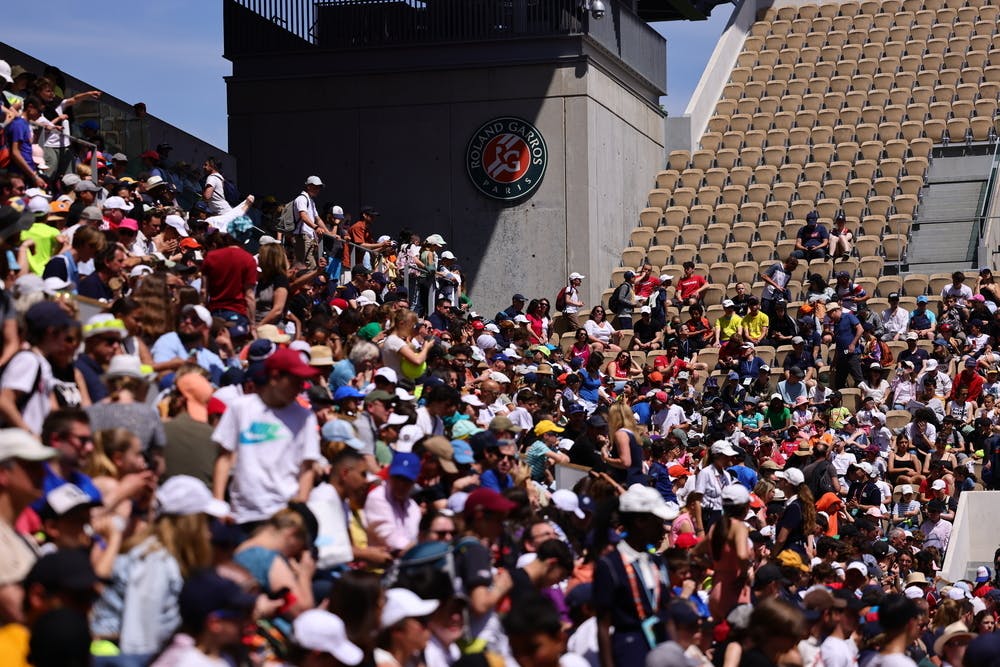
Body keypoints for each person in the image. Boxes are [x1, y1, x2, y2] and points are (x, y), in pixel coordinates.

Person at [211, 349, 321, 531]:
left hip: (284, 514)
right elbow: (224, 458)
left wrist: (300, 508)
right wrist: (218, 505)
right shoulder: (241, 408)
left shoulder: (306, 417)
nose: (300, 387)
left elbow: (307, 468)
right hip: (243, 514)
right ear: (275, 377)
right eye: (295, 381)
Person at [594, 484, 676, 667]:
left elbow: (666, 612)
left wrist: (675, 652)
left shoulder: (658, 563)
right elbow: (603, 625)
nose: (664, 529)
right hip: (630, 651)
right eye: (658, 521)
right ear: (640, 521)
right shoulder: (609, 565)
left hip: (661, 647)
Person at [828, 302, 864, 389]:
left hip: (852, 354)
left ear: (835, 311)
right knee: (839, 384)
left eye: (830, 313)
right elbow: (838, 345)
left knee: (859, 380)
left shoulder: (849, 316)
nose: (829, 316)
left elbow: (860, 329)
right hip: (842, 356)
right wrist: (834, 361)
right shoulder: (836, 325)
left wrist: (853, 344)